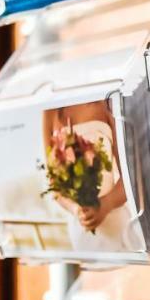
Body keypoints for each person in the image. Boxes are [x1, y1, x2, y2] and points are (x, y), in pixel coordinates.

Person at [41, 102, 138, 253]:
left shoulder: (107, 102)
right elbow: (54, 185)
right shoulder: (50, 112)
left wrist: (105, 206)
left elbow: (131, 177)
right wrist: (76, 209)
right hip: (81, 229)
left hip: (115, 222)